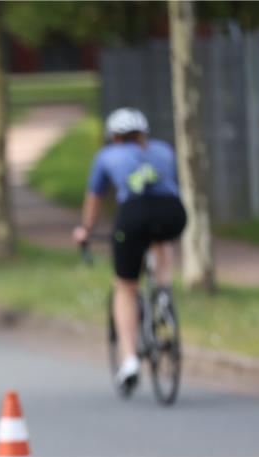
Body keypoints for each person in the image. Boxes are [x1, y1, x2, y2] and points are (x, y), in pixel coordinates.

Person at [72, 108, 187, 394]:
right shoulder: (163, 149)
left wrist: (86, 229)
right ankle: (163, 292)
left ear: (114, 137)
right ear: (143, 133)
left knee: (125, 286)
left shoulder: (107, 155)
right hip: (172, 212)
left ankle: (129, 360)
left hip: (133, 215)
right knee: (161, 240)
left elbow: (95, 198)